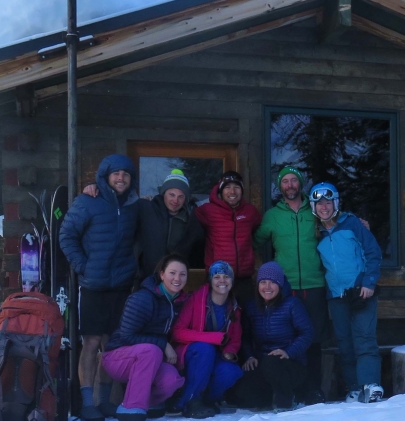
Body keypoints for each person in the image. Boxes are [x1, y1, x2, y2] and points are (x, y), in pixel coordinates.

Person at [60, 154, 139, 421]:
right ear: (105, 177)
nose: (121, 178)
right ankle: (87, 402)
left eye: (126, 175)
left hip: (120, 285)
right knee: (91, 343)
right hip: (94, 285)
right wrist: (84, 266)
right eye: (116, 174)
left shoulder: (133, 205)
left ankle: (104, 402)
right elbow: (66, 235)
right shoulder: (88, 201)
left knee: (112, 345)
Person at [254, 166, 329, 405]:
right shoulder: (272, 216)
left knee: (314, 339)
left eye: (293, 180)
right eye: (284, 181)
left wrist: (358, 223)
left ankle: (313, 389)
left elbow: (337, 225)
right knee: (287, 338)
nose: (289, 185)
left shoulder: (315, 211)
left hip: (313, 283)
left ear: (300, 184)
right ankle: (288, 387)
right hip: (283, 288)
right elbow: (255, 241)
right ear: (280, 186)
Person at [309, 182, 384, 403]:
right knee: (344, 342)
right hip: (336, 295)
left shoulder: (352, 223)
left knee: (364, 337)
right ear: (314, 207)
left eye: (328, 202)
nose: (324, 206)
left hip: (361, 291)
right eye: (319, 203)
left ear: (336, 203)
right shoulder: (316, 232)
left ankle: (371, 383)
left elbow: (373, 252)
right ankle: (354, 387)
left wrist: (369, 282)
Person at [100, 254, 189, 421]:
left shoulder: (179, 302)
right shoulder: (143, 298)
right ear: (162, 274)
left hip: (151, 359)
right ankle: (131, 406)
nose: (177, 278)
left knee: (171, 380)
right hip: (118, 357)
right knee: (151, 350)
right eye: (172, 273)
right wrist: (163, 344)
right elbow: (127, 335)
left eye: (183, 274)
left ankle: (148, 402)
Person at [83, 169, 204, 282]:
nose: (175, 200)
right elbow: (118, 200)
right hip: (146, 279)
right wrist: (96, 186)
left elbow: (198, 249)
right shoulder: (146, 209)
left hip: (176, 281)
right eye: (171, 195)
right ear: (163, 193)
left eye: (180, 196)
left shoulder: (191, 220)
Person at [231, 261, 313, 412]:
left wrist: (288, 352)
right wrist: (249, 356)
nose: (267, 287)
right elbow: (246, 336)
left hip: (291, 364)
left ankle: (286, 401)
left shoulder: (292, 304)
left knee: (271, 362)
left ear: (280, 285)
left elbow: (307, 333)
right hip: (263, 363)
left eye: (272, 283)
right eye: (263, 282)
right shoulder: (252, 306)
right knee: (242, 393)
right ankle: (270, 396)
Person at [170, 260, 243, 419]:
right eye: (217, 277)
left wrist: (230, 351)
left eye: (226, 277)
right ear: (210, 280)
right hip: (191, 352)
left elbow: (235, 338)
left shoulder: (233, 306)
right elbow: (177, 332)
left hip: (215, 355)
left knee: (232, 371)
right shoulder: (196, 299)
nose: (222, 281)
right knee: (205, 348)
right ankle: (189, 401)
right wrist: (213, 338)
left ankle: (208, 400)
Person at [195, 171, 262, 306]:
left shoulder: (250, 212)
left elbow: (258, 230)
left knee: (246, 321)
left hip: (244, 280)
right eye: (227, 187)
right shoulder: (207, 211)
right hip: (218, 278)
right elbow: (186, 219)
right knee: (217, 320)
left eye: (236, 187)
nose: (232, 191)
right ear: (220, 190)